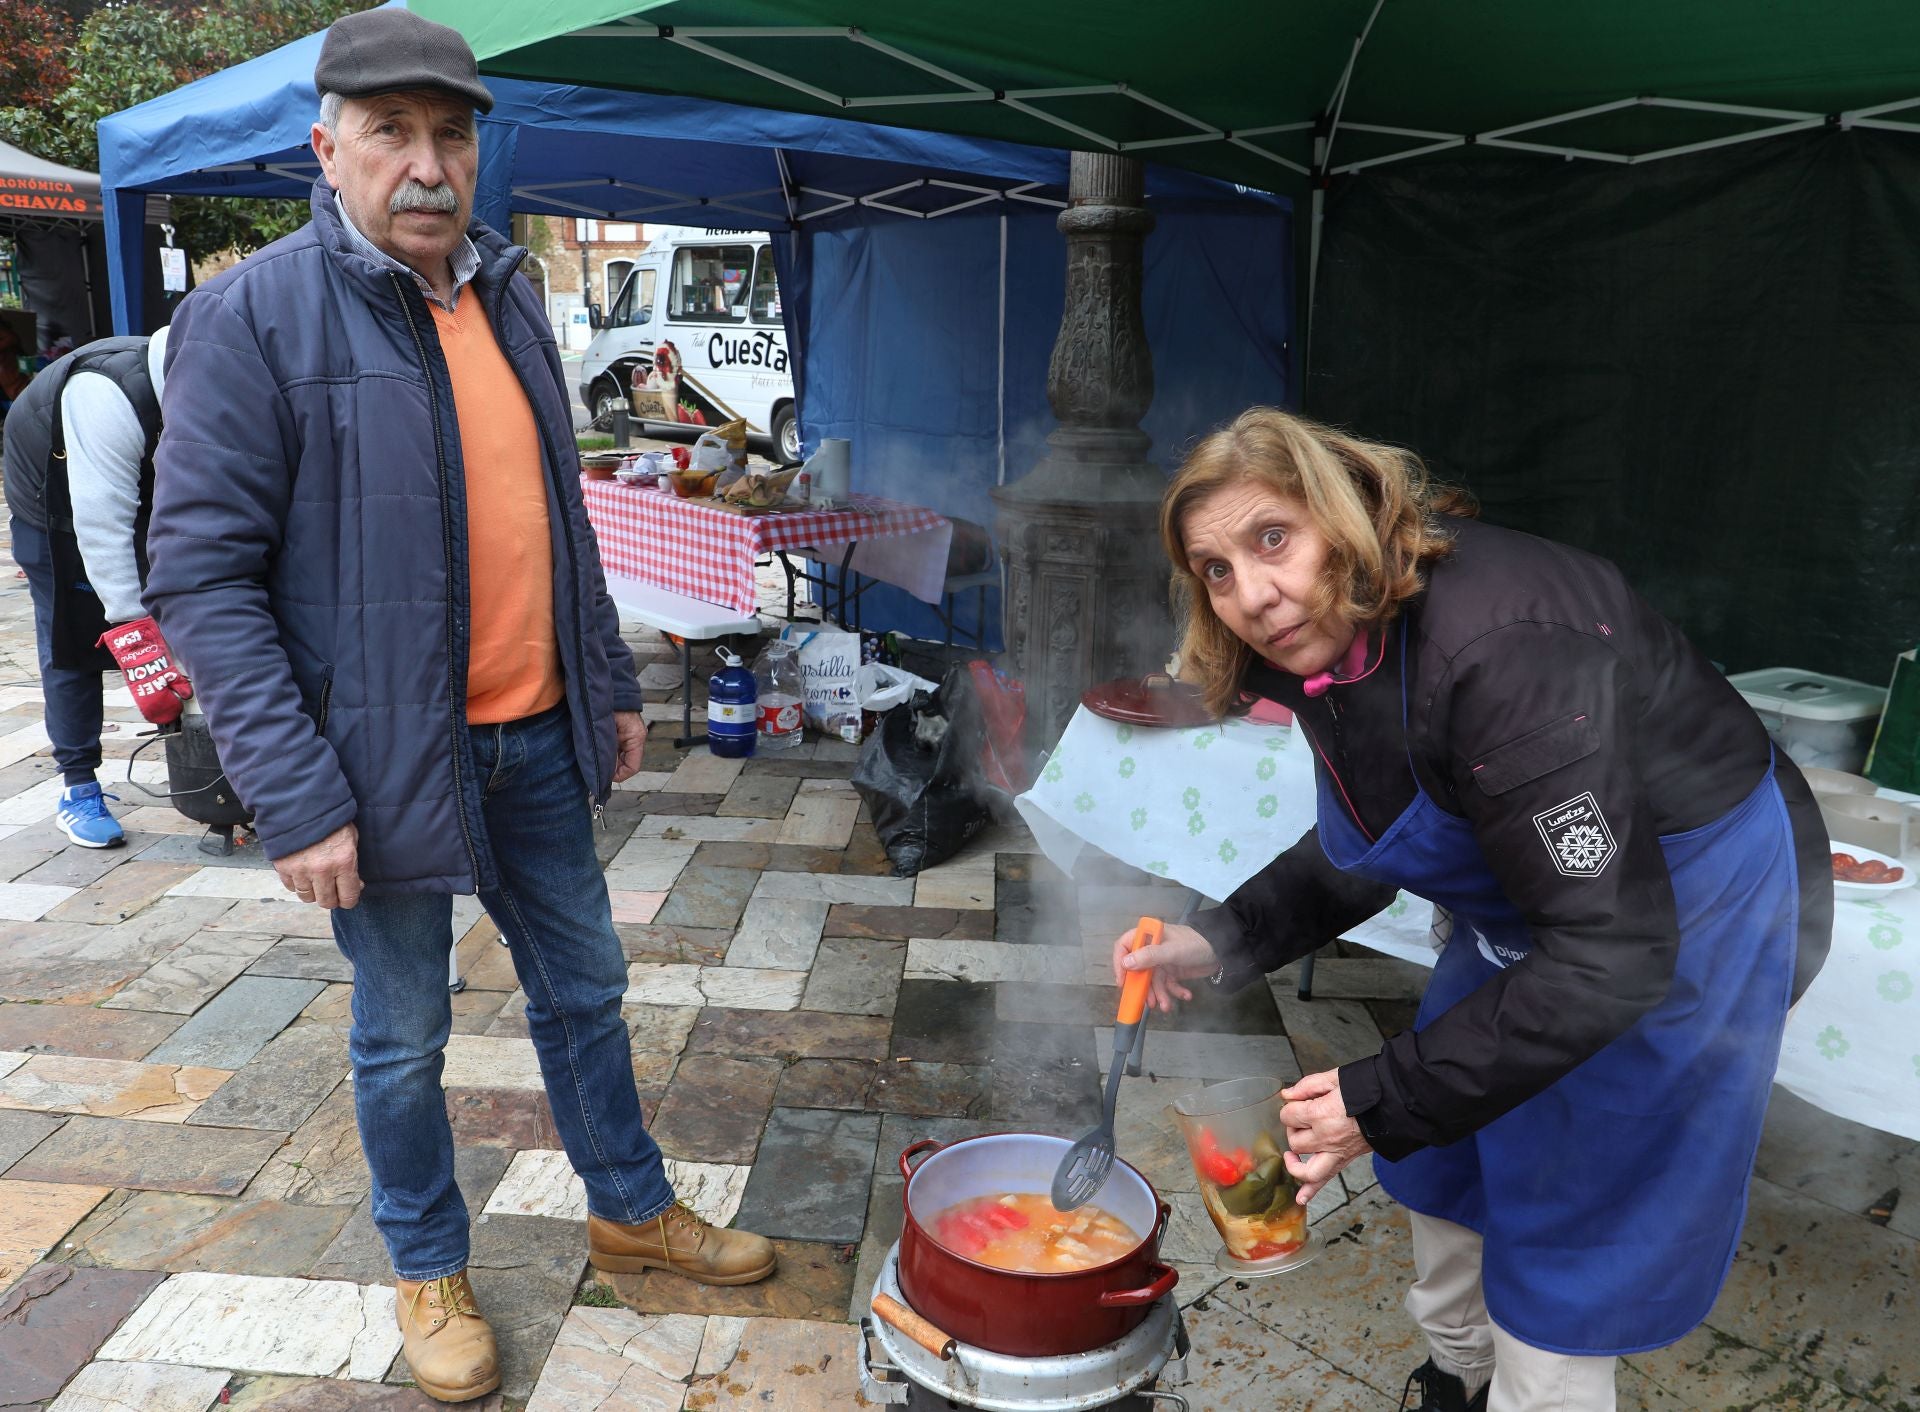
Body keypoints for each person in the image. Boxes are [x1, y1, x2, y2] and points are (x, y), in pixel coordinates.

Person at [145, 10, 775, 1405]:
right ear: (328, 149)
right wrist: (294, 793)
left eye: (453, 133)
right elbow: (199, 575)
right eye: (392, 134)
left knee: (589, 991)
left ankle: (631, 1205)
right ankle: (427, 1265)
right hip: (375, 768)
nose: (427, 165)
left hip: (535, 738)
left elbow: (557, 512)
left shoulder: (508, 293)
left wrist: (603, 679)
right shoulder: (250, 319)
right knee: (403, 1036)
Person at [1113, 408, 1831, 1412]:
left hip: (1683, 904)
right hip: (1542, 904)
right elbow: (1390, 827)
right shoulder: (1331, 643)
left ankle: (1535, 1384)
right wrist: (1223, 935)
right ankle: (1457, 1374)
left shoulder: (1506, 655)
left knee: (1575, 1214)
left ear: (1348, 511)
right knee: (1446, 1151)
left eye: (1272, 537)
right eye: (1216, 569)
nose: (1253, 595)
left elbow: (1611, 957)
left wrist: (1380, 1091)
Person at [2, 326, 193, 847]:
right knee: (72, 635)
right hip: (51, 503)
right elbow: (103, 526)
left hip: (136, 486)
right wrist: (141, 644)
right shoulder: (106, 393)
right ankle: (78, 787)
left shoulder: (215, 383)